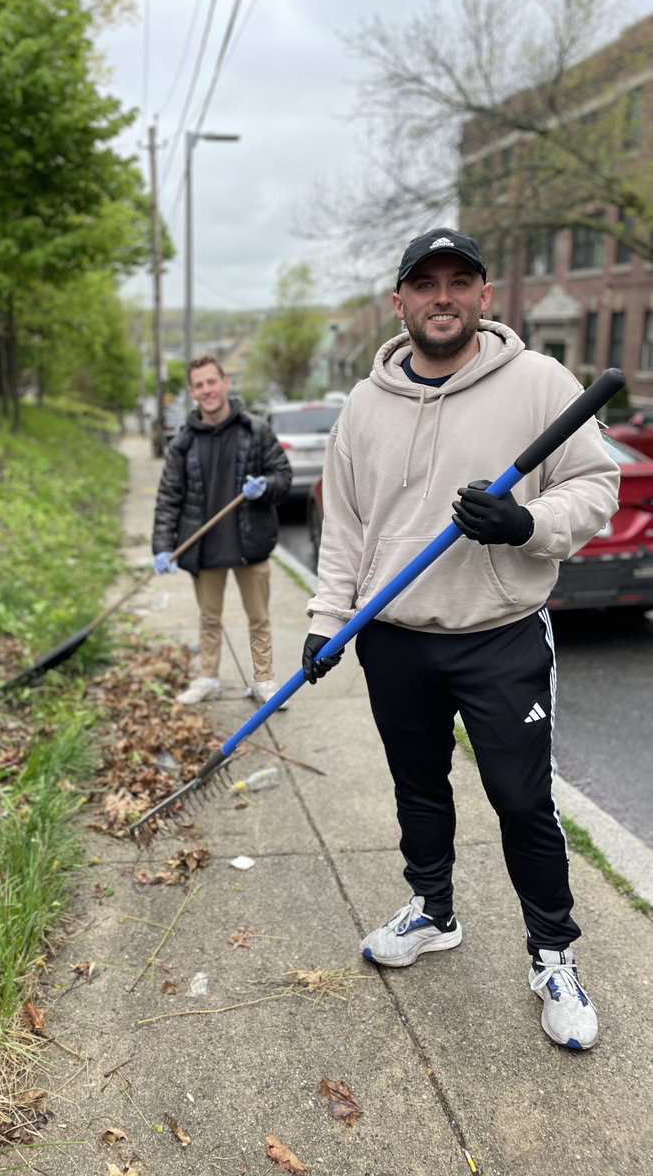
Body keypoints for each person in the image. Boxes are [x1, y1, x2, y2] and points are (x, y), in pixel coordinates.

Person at [301, 227, 620, 1051]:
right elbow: (345, 526)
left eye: (459, 281)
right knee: (418, 790)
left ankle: (552, 955)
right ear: (399, 300)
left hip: (500, 636)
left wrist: (525, 522)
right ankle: (433, 911)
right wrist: (325, 622)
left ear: (484, 296)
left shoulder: (540, 383)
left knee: (522, 802)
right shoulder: (363, 406)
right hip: (395, 639)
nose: (442, 297)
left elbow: (596, 485)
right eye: (425, 283)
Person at [152, 355, 292, 706]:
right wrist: (161, 546)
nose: (206, 390)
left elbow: (283, 476)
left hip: (250, 540)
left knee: (258, 618)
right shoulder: (183, 443)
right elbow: (168, 497)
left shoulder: (255, 430)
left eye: (211, 382)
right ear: (192, 392)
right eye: (199, 385)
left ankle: (264, 681)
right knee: (209, 619)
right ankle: (208, 678)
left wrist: (267, 485)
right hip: (204, 545)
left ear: (225, 383)